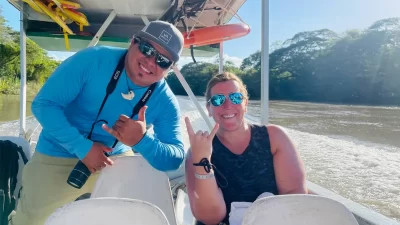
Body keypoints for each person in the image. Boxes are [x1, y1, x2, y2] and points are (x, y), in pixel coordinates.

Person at [9, 20, 185, 225]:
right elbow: (44, 104)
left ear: (170, 68)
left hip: (114, 159)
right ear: (132, 42)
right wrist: (82, 147)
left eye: (162, 60)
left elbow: (175, 159)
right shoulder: (91, 60)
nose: (150, 61)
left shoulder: (165, 101)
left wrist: (142, 140)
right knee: (31, 220)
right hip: (57, 151)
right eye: (146, 49)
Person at [184, 72, 307, 225]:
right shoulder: (197, 152)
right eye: (218, 100)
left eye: (236, 98)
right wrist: (202, 161)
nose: (228, 105)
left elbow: (294, 196)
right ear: (209, 108)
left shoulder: (275, 137)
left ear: (245, 104)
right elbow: (211, 217)